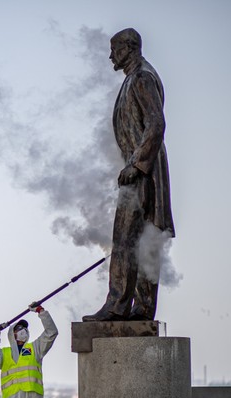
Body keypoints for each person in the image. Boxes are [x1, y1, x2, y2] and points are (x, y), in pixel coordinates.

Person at [83, 28, 175, 322]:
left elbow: (156, 124)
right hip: (142, 169)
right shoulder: (133, 79)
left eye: (114, 49)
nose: (111, 55)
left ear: (129, 47)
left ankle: (117, 304)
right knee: (144, 239)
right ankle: (142, 308)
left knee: (124, 238)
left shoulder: (142, 78)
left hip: (142, 171)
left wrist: (135, 165)